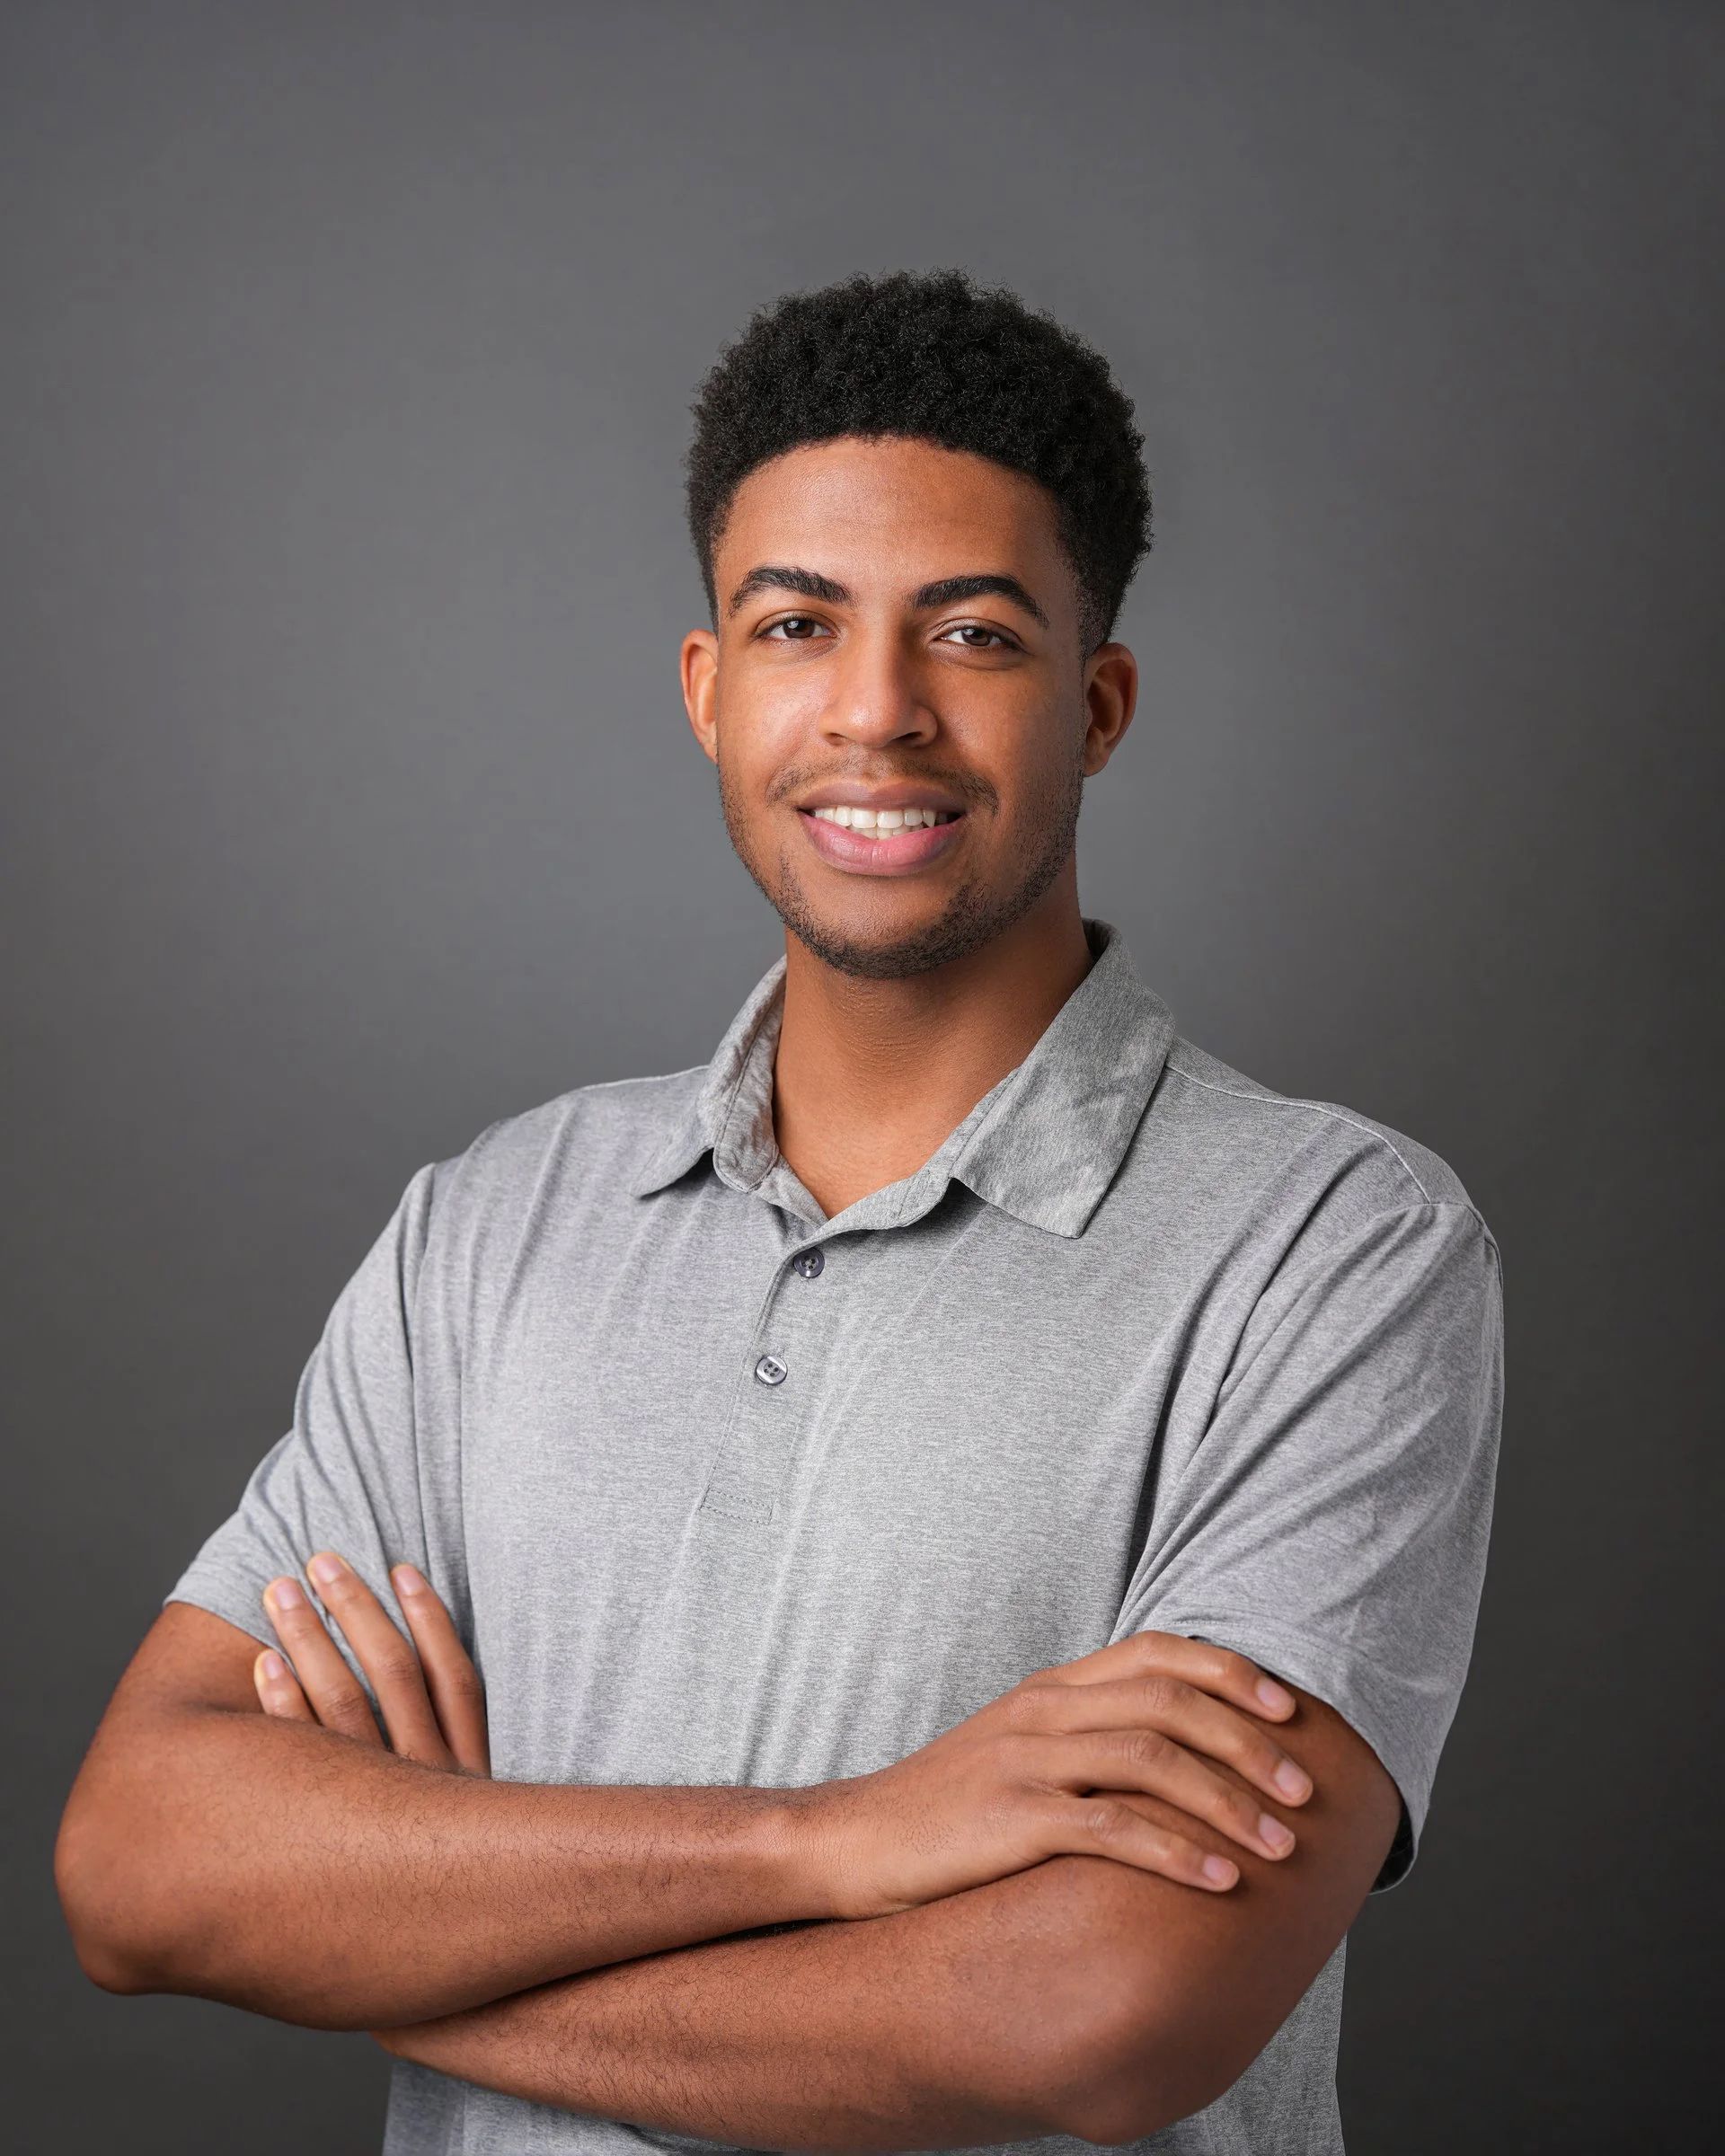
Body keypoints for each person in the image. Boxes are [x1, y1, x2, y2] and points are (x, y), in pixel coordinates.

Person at [55, 267, 1504, 2154]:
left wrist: (396, 1928)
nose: (876, 713)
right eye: (800, 622)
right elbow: (143, 1867)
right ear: (709, 688)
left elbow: (1095, 2016)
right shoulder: (492, 1226)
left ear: (1102, 698)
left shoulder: (1341, 1252)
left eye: (972, 633)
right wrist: (837, 1843)